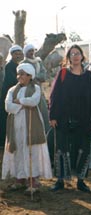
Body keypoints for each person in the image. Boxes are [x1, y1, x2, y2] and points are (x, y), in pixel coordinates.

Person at [49, 44, 91, 193]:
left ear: (82, 56)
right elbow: (54, 96)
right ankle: (60, 181)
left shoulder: (88, 76)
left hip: (83, 118)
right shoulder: (63, 73)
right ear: (68, 57)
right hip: (63, 118)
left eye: (78, 53)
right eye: (72, 54)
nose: (75, 56)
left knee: (83, 149)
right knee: (61, 149)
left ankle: (81, 181)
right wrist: (52, 116)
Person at [1, 63, 52, 193]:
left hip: (32, 123)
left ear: (30, 76)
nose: (19, 76)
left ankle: (33, 180)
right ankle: (19, 178)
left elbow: (34, 101)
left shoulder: (35, 88)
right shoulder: (12, 90)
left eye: (22, 74)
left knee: (31, 150)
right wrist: (23, 104)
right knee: (18, 149)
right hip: (16, 125)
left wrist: (19, 101)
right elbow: (8, 106)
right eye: (19, 74)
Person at [21, 44, 50, 132]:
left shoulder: (38, 62)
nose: (31, 52)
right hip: (28, 92)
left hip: (39, 91)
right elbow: (25, 78)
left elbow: (43, 76)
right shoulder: (23, 64)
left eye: (32, 50)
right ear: (25, 52)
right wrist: (33, 78)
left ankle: (46, 136)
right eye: (29, 51)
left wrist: (34, 77)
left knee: (44, 114)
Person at [0, 45, 23, 149]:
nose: (18, 55)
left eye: (19, 53)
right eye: (15, 53)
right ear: (11, 54)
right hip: (7, 97)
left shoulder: (17, 65)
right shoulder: (10, 66)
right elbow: (12, 82)